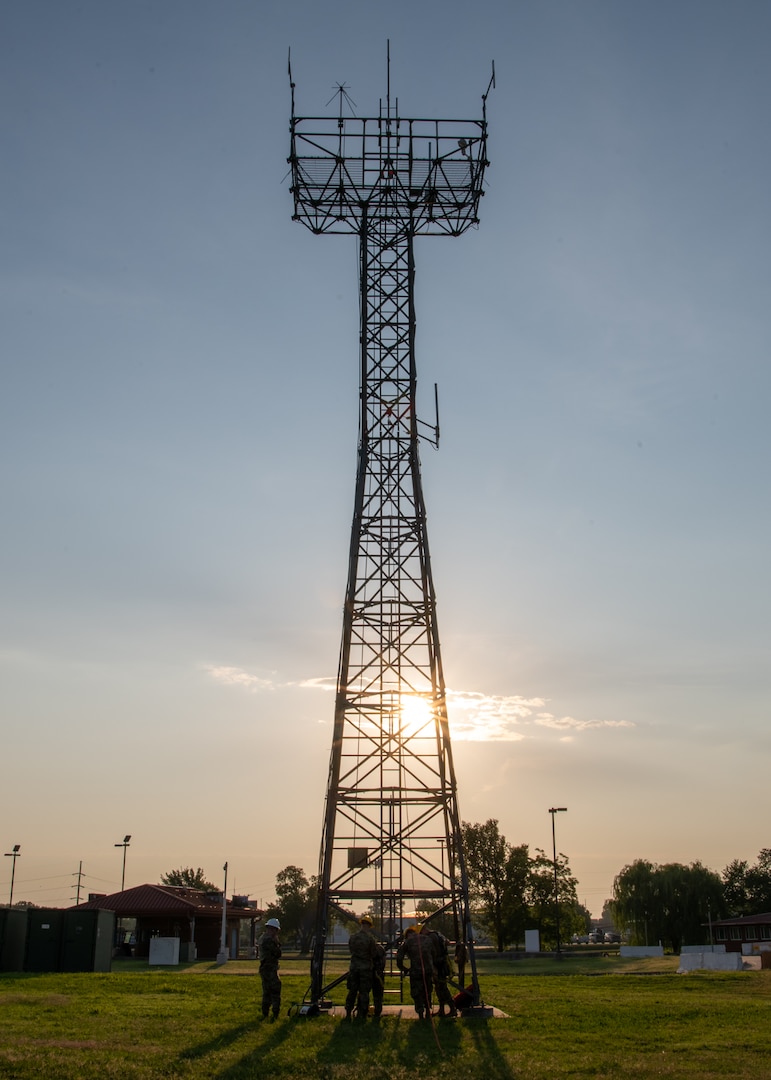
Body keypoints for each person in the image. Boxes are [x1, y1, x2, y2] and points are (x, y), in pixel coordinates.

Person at [345, 915, 380, 1020]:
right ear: (369, 926)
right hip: (365, 969)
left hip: (354, 967)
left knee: (352, 991)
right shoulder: (370, 939)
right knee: (364, 992)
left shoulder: (353, 937)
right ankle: (362, 1014)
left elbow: (351, 950)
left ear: (361, 924)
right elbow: (374, 954)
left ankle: (347, 1013)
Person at [396, 926, 434, 1020]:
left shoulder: (407, 942)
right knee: (427, 991)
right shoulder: (427, 939)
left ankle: (420, 1012)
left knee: (417, 992)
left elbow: (399, 958)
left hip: (416, 971)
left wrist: (404, 969)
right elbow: (434, 953)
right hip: (428, 971)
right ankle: (428, 1011)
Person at [420, 925, 457, 1017]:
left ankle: (452, 1009)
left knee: (442, 988)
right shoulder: (438, 934)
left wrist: (433, 967)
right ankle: (442, 1010)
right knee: (438, 988)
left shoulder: (431, 938)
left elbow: (433, 953)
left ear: (424, 930)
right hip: (442, 964)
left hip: (438, 965)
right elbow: (447, 942)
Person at [258, 917, 282, 1020]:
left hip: (264, 968)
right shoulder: (269, 941)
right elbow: (278, 953)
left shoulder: (263, 938)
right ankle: (275, 1013)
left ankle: (265, 1013)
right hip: (269, 968)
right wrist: (277, 943)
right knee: (275, 990)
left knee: (267, 991)